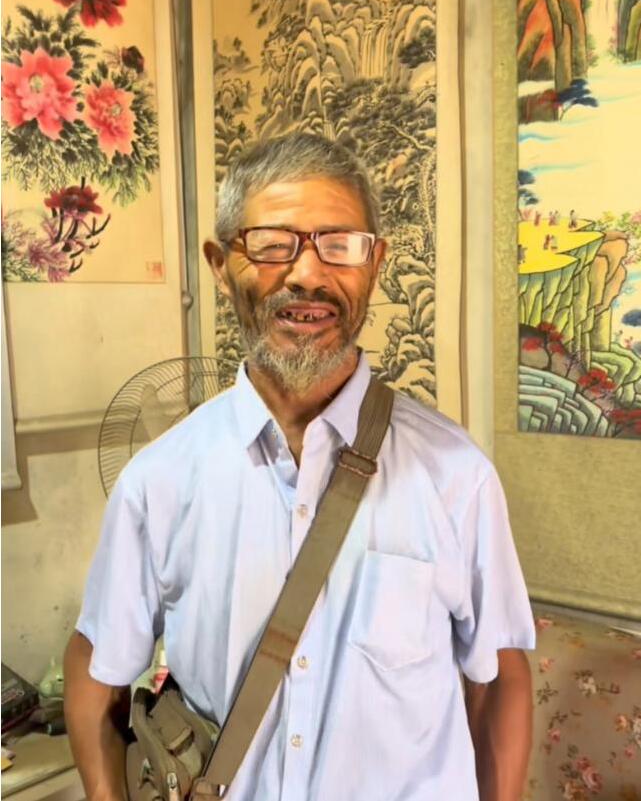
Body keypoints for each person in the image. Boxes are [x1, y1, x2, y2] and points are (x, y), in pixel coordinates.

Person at [64, 133, 535, 801]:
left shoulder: (457, 475)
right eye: (272, 244)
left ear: (374, 264)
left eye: (339, 244)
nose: (308, 274)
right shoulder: (160, 480)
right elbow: (96, 662)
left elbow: (498, 675)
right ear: (221, 265)